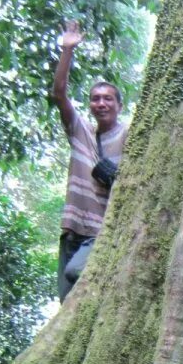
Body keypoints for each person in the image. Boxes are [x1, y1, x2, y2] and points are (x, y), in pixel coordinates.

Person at [50, 20, 128, 300]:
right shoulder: (81, 131)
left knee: (76, 274)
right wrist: (67, 50)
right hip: (72, 230)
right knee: (66, 301)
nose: (101, 103)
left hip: (101, 232)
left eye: (108, 99)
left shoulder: (130, 134)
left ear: (119, 105)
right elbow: (59, 95)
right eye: (96, 99)